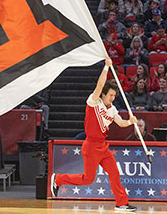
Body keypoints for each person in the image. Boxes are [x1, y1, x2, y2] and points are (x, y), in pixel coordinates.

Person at [51, 58, 137, 212]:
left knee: (114, 173)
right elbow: (99, 85)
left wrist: (131, 121)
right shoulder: (93, 102)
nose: (112, 98)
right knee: (87, 179)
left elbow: (121, 123)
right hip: (91, 146)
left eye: (114, 96)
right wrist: (106, 67)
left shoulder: (113, 109)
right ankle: (58, 179)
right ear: (103, 95)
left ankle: (121, 203)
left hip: (103, 146)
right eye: (110, 95)